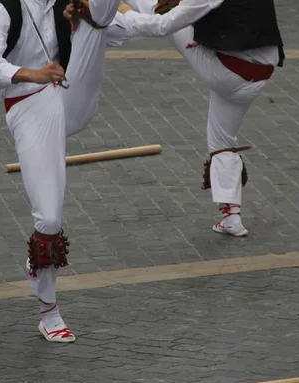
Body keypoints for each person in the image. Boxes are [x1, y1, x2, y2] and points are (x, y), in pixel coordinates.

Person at [0, 0, 118, 342]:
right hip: (28, 103)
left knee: (95, 18)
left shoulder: (65, 2)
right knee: (49, 221)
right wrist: (34, 73)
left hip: (68, 93)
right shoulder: (4, 9)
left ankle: (93, 19)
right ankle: (48, 311)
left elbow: (122, 28)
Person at [111, 0, 285, 237]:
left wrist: (127, 12)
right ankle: (232, 218)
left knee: (168, 19)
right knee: (222, 141)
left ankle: (114, 14)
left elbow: (161, 27)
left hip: (228, 72)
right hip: (257, 76)